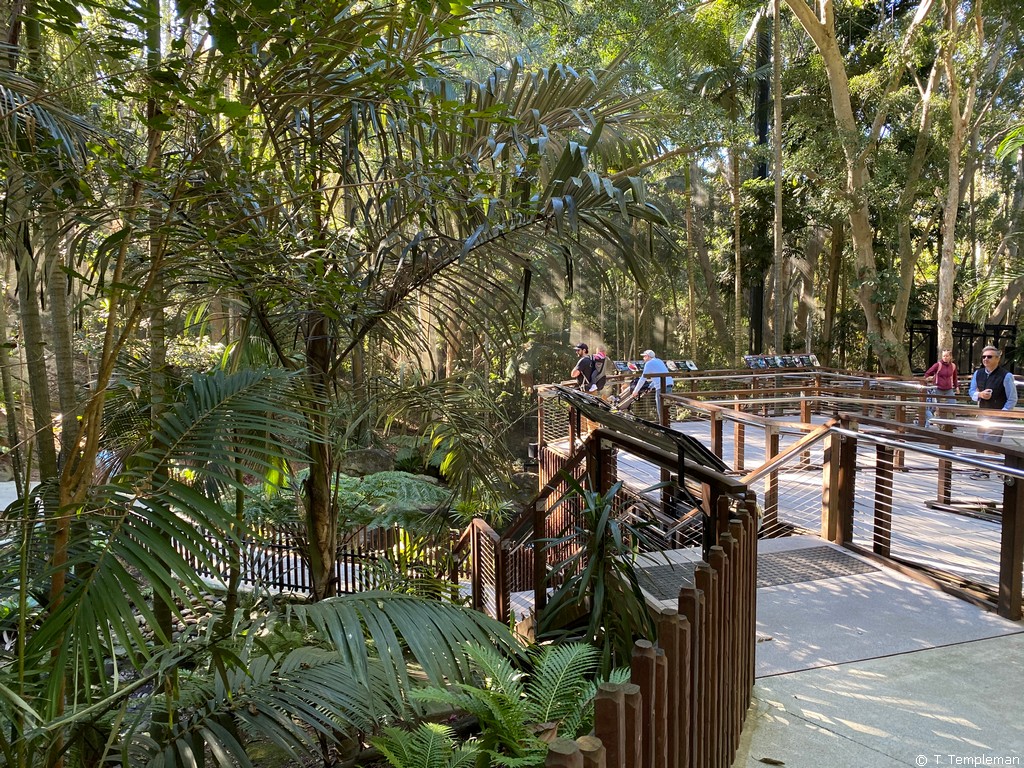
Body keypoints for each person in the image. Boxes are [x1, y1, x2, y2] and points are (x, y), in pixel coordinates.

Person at [968, 345, 1018, 478]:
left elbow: (1012, 398)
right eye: (984, 357)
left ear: (997, 359)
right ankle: (1001, 468)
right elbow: (971, 391)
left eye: (989, 357)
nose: (986, 359)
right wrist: (980, 395)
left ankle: (984, 471)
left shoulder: (1006, 376)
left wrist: (1002, 414)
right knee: (984, 441)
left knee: (989, 442)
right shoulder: (978, 373)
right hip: (982, 414)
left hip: (997, 415)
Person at [923, 349, 958, 427]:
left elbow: (955, 377)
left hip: (949, 389)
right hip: (938, 388)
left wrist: (957, 387)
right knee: (934, 407)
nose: (945, 357)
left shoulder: (953, 366)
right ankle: (928, 422)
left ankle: (952, 423)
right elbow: (927, 373)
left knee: (953, 405)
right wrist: (927, 379)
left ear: (950, 357)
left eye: (947, 356)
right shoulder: (938, 365)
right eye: (943, 356)